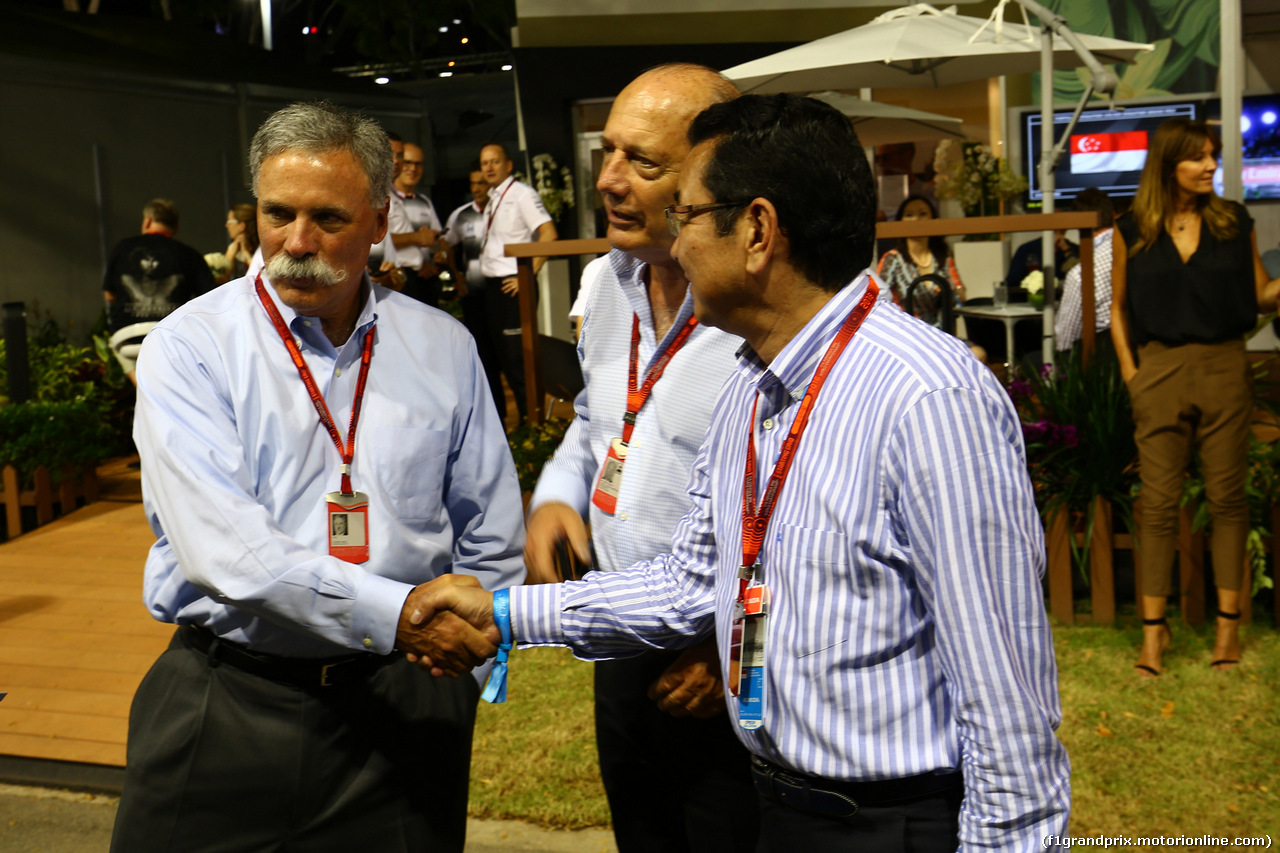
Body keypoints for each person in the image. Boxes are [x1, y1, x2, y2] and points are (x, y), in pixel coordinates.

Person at [415, 93, 1070, 851]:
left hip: (891, 823)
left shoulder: (926, 398)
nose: (673, 236)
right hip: (783, 807)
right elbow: (690, 580)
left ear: (756, 230)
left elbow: (1007, 704)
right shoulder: (756, 385)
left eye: (686, 213)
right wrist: (503, 614)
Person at [110, 101, 525, 853]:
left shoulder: (443, 346)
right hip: (227, 701)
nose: (295, 243)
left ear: (378, 218)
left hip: (402, 708)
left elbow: (491, 532)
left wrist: (459, 678)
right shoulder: (190, 348)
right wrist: (401, 614)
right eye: (277, 213)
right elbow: (224, 551)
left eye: (328, 219)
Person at [523, 64, 759, 853]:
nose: (609, 180)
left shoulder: (759, 310)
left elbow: (807, 503)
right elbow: (597, 419)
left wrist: (730, 643)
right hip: (621, 631)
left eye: (641, 163)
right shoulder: (605, 279)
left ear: (715, 176)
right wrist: (557, 497)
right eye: (608, 152)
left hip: (723, 657)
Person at [1110, 118, 1280, 676]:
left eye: (1213, 156)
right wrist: (1134, 374)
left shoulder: (1234, 220)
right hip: (1158, 370)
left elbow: (1260, 296)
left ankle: (1228, 631)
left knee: (1228, 501)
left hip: (1224, 366)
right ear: (1168, 163)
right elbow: (1117, 310)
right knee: (1157, 505)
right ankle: (1153, 638)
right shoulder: (1132, 227)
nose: (1210, 165)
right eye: (1198, 157)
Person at [478, 141, 558, 421]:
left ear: (509, 165)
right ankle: (525, 423)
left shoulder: (522, 194)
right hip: (493, 288)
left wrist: (527, 276)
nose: (488, 167)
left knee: (518, 361)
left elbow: (549, 234)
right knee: (503, 360)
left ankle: (535, 425)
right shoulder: (493, 198)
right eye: (484, 163)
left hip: (513, 287)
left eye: (494, 161)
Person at [102, 198, 216, 383]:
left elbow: (109, 295)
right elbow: (209, 299)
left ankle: (142, 388)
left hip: (128, 339)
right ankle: (156, 393)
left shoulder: (122, 248)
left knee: (120, 349)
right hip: (171, 338)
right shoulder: (190, 255)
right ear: (176, 227)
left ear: (147, 221)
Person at [443, 163, 504, 417]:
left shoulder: (500, 211)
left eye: (482, 183)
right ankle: (492, 412)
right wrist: (457, 278)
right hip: (472, 295)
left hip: (498, 292)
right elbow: (445, 245)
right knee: (483, 356)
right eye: (473, 184)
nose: (477, 189)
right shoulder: (461, 215)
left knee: (503, 353)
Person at [875, 194, 964, 327]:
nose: (916, 219)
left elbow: (960, 297)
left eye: (923, 214)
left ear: (933, 220)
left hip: (942, 331)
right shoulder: (892, 258)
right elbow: (878, 300)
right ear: (900, 221)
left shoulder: (943, 255)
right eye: (909, 215)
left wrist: (951, 290)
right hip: (907, 331)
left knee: (976, 349)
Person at [1055, 188, 1116, 353]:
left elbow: (1065, 340)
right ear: (1113, 215)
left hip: (1101, 361)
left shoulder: (1081, 275)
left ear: (1076, 223)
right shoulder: (1138, 249)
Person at [389, 141, 445, 307]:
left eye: (418, 164)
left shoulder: (424, 202)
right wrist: (418, 237)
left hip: (426, 279)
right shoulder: (384, 197)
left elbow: (439, 240)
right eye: (408, 162)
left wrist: (436, 259)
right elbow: (377, 242)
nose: (413, 168)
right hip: (398, 279)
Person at [221, 203, 259, 283]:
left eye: (229, 222)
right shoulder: (233, 248)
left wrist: (246, 253)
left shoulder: (261, 248)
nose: (227, 225)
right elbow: (222, 279)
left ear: (242, 226)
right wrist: (230, 254)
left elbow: (261, 275)